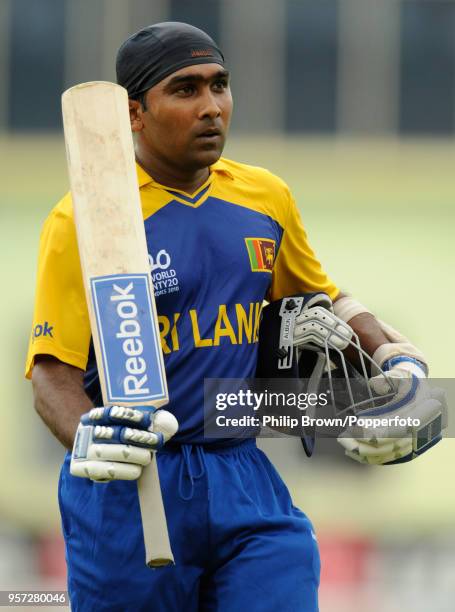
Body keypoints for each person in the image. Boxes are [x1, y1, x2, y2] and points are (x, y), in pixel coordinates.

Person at [25, 22, 442, 612]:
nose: (212, 107)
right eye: (185, 89)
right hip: (132, 489)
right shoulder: (81, 221)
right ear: (135, 114)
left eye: (220, 85)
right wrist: (87, 435)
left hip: (242, 472)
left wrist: (397, 363)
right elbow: (52, 373)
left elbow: (324, 299)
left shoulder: (263, 197)